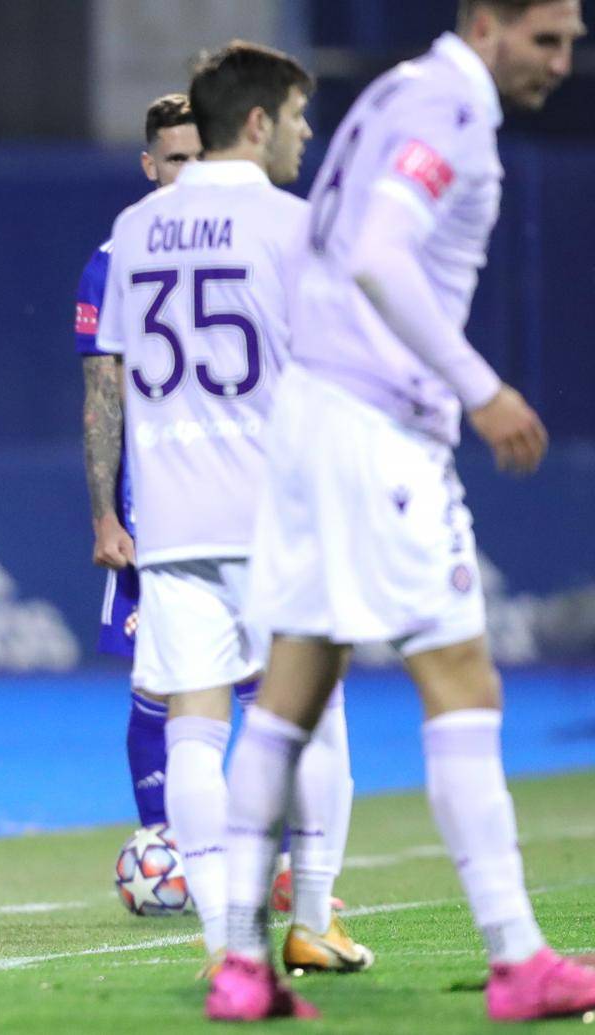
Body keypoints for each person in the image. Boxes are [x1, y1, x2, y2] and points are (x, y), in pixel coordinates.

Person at [211, 0, 594, 1023]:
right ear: (484, 22)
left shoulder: (388, 93)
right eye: (545, 38)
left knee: (289, 692)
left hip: (309, 415)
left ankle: (240, 964)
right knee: (462, 684)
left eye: (572, 42)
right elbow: (380, 251)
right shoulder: (447, 107)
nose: (563, 61)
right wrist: (478, 387)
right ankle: (518, 959)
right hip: (373, 429)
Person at [94, 42, 365, 978]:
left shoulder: (134, 229)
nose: (305, 134)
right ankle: (314, 918)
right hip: (276, 516)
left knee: (194, 732)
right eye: (296, 116)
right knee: (316, 724)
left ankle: (229, 951)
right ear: (255, 122)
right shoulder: (296, 223)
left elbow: (113, 381)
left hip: (171, 522)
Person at [74, 93, 199, 837]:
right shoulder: (113, 261)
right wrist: (104, 513)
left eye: (198, 156)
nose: (186, 172)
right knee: (158, 683)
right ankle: (164, 839)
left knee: (267, 684)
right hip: (155, 504)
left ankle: (283, 862)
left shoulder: (255, 240)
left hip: (244, 498)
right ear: (150, 164)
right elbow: (102, 393)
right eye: (173, 158)